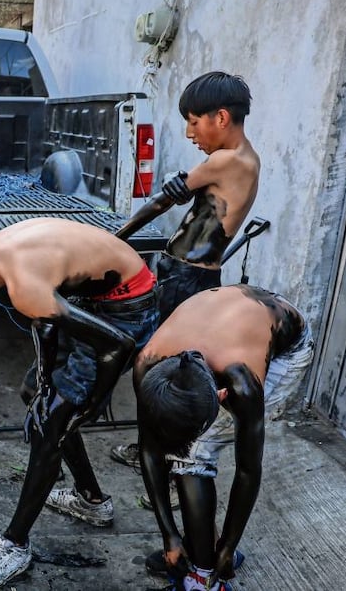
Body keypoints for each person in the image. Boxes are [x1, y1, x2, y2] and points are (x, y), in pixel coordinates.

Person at [0, 218, 159, 591]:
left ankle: (14, 543)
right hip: (94, 296)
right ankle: (91, 500)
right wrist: (46, 383)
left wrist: (95, 403)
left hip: (127, 306)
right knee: (36, 397)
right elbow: (45, 324)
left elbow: (117, 345)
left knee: (50, 425)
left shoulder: (21, 286)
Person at [111, 71, 260, 470]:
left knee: (156, 365)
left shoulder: (228, 161)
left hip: (186, 279)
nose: (190, 132)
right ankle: (156, 446)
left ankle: (164, 452)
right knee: (163, 363)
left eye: (194, 121)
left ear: (221, 118)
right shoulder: (239, 160)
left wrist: (115, 237)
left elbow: (161, 202)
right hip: (186, 275)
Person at [134, 285, 314, 591]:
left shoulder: (242, 384)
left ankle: (203, 576)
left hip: (286, 343)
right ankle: (196, 549)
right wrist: (170, 535)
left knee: (192, 458)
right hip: (231, 316)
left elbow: (248, 470)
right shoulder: (147, 366)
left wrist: (229, 545)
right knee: (183, 455)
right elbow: (149, 450)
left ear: (220, 397)